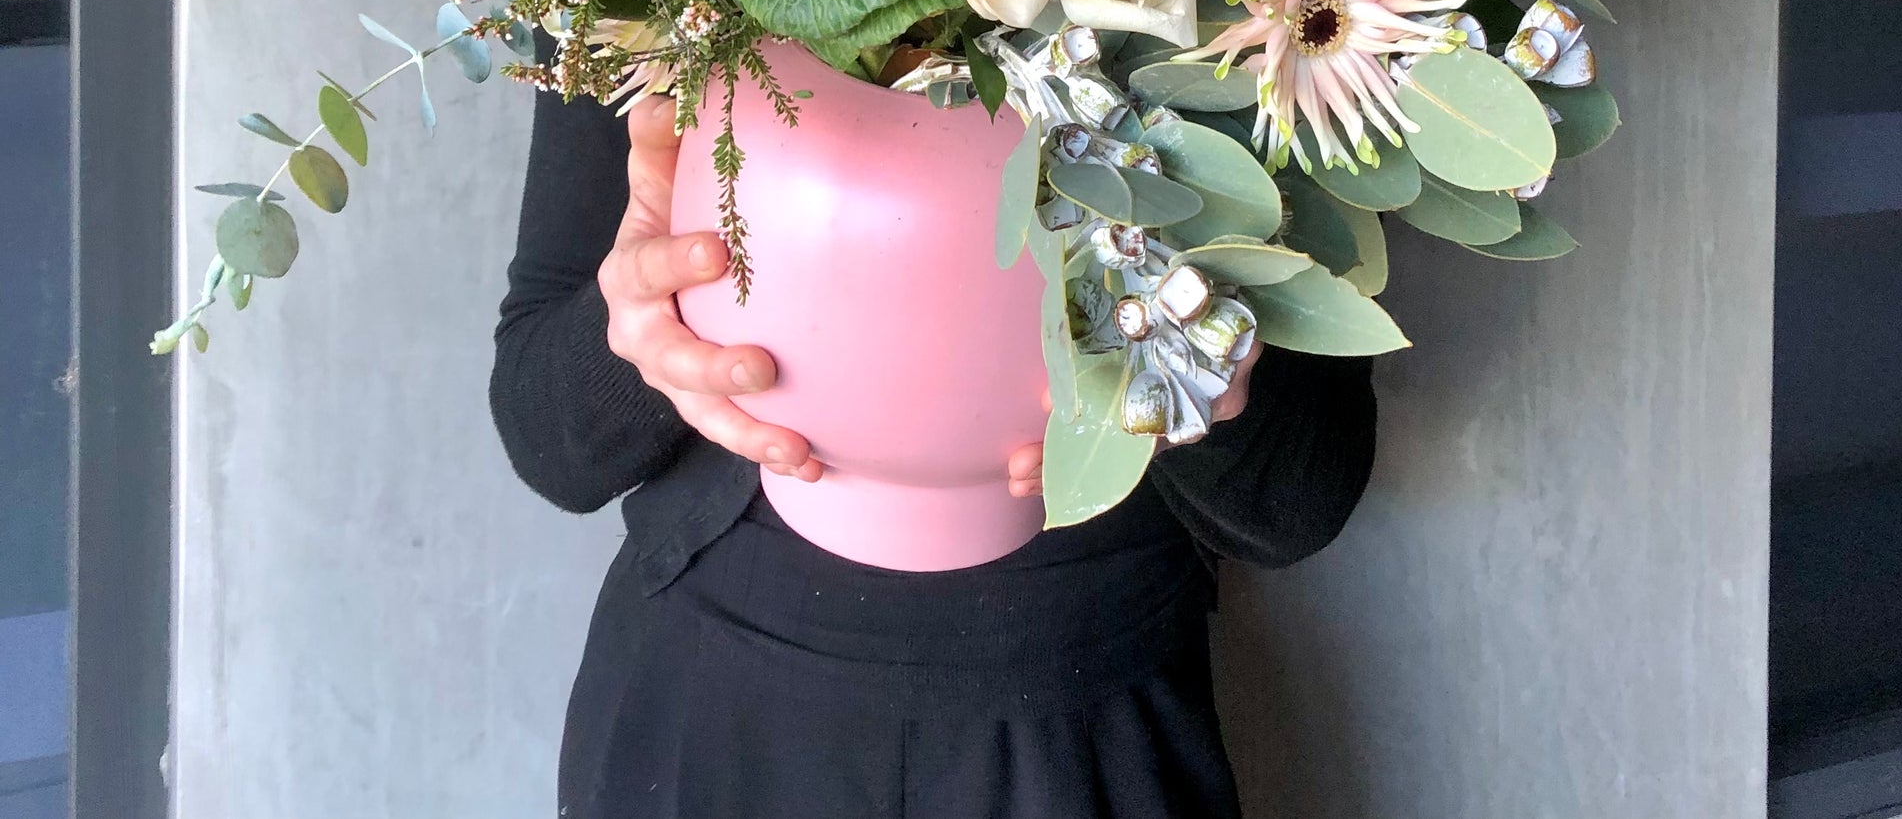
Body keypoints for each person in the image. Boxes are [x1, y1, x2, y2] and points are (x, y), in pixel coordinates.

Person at [492, 86, 1378, 819]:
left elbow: (1296, 503)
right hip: (706, 708)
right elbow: (549, 441)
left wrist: (1192, 364)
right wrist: (644, 322)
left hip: (1088, 714)